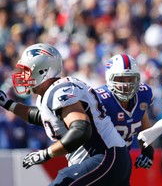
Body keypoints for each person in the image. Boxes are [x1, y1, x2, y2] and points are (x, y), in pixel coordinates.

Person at [0, 43, 132, 185]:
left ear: (42, 71)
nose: (23, 76)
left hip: (104, 157)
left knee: (62, 181)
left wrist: (46, 153)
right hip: (111, 158)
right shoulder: (51, 93)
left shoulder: (60, 91)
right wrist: (8, 104)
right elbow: (44, 118)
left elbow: (81, 129)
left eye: (26, 71)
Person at [95, 54, 154, 169]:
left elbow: (143, 122)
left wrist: (147, 149)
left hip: (122, 158)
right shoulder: (100, 99)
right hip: (98, 158)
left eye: (131, 79)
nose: (126, 85)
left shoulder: (143, 94)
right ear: (109, 78)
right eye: (121, 79)